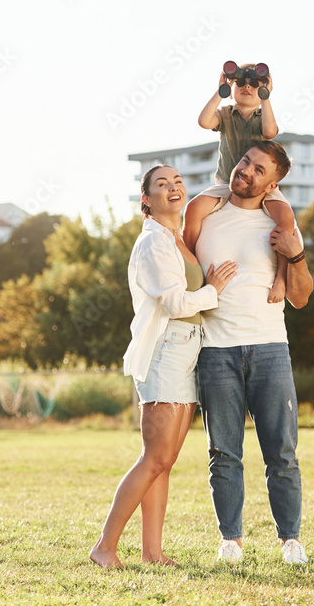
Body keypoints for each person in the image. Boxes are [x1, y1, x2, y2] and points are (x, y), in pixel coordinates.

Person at [90, 165, 238, 569]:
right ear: (146, 200)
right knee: (154, 457)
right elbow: (174, 303)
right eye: (161, 184)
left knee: (164, 461)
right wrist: (213, 290)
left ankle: (152, 553)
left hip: (188, 348)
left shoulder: (177, 238)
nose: (173, 187)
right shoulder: (153, 242)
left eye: (177, 182)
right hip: (166, 349)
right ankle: (104, 546)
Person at [187, 140, 314, 565]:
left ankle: (290, 540)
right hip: (215, 349)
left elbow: (301, 297)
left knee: (282, 452)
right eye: (245, 162)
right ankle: (231, 540)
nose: (246, 171)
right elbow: (183, 270)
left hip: (270, 348)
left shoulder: (278, 222)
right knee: (223, 452)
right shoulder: (205, 213)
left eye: (259, 170)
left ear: (272, 184)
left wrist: (296, 256)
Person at [189, 64, 297, 304]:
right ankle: (189, 267)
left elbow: (270, 132)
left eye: (254, 84)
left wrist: (266, 97)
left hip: (259, 185)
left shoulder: (263, 116)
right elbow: (204, 121)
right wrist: (221, 90)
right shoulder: (225, 114)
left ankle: (281, 277)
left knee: (286, 217)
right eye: (240, 82)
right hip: (226, 182)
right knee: (194, 208)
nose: (247, 86)